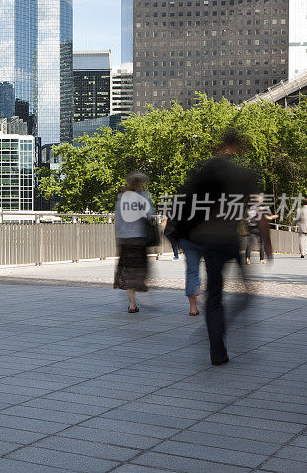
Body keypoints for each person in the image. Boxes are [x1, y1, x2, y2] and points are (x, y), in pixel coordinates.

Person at [173, 129, 267, 366]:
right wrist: (268, 243)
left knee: (215, 295)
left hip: (207, 240)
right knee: (247, 293)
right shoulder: (244, 173)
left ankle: (216, 343)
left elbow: (187, 202)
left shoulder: (204, 169)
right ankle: (219, 332)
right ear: (239, 147)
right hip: (232, 238)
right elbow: (260, 211)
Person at [113, 172, 155, 313]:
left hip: (125, 239)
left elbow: (117, 221)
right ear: (141, 184)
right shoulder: (144, 196)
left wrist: (119, 236)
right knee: (140, 269)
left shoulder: (121, 197)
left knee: (127, 270)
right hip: (139, 238)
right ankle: (142, 292)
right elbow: (150, 215)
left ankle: (132, 304)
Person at [244, 194, 279, 265]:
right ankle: (262, 259)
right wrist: (274, 216)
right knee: (262, 244)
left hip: (251, 227)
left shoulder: (250, 208)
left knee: (250, 244)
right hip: (259, 228)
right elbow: (267, 217)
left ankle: (247, 258)